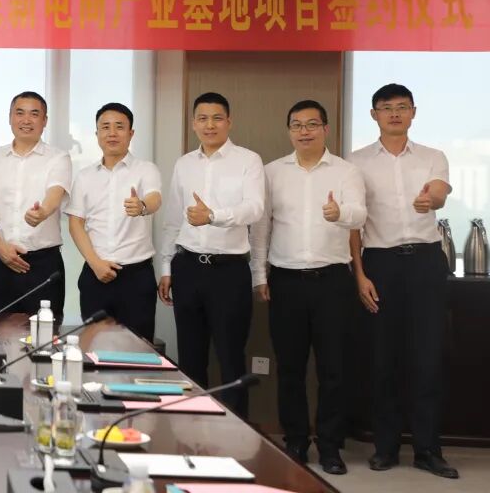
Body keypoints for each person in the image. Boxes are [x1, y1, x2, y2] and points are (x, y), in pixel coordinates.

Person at [249, 101, 366, 475]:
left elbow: (360, 214)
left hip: (332, 281)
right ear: (289, 131)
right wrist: (259, 275)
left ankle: (330, 445)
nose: (304, 131)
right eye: (297, 125)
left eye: (312, 124)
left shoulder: (346, 171)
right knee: (290, 368)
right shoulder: (272, 172)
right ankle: (296, 441)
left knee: (333, 369)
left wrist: (340, 214)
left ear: (325, 129)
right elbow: (262, 227)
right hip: (285, 281)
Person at [348, 83, 458, 479]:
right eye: (386, 107)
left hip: (426, 262)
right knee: (383, 359)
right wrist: (360, 274)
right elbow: (354, 225)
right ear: (374, 114)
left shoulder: (432, 156)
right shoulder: (356, 163)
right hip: (379, 264)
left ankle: (428, 450)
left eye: (401, 107)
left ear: (413, 112)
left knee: (427, 358)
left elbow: (440, 191)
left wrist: (432, 199)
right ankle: (386, 447)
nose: (394, 113)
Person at [159, 91, 264, 418]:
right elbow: (173, 219)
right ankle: (193, 429)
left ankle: (237, 435)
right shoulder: (184, 164)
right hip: (187, 267)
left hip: (229, 272)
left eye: (217, 118)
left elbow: (255, 208)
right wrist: (166, 267)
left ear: (229, 122)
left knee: (231, 358)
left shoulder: (248, 160)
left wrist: (213, 216)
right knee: (190, 358)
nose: (210, 125)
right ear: (193, 123)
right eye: (202, 118)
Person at [66, 103, 161, 339]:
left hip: (136, 277)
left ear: (131, 133)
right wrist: (95, 263)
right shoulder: (85, 176)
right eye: (105, 127)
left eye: (119, 127)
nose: (112, 133)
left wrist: (141, 206)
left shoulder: (146, 170)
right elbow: (76, 223)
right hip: (95, 275)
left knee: (138, 348)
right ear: (97, 133)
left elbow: (154, 199)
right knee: (93, 348)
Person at [0, 92, 71, 318]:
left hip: (43, 265)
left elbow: (55, 193)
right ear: (10, 117)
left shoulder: (58, 158)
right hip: (0, 262)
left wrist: (42, 212)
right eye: (19, 113)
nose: (26, 120)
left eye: (34, 114)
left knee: (46, 333)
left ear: (45, 120)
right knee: (0, 331)